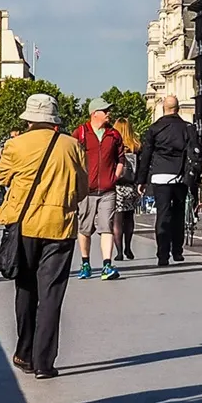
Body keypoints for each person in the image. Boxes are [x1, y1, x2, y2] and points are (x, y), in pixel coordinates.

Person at [0, 92, 88, 379]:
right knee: (51, 295)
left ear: (29, 119)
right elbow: (83, 188)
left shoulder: (15, 145)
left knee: (25, 288)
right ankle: (44, 362)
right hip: (60, 225)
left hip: (25, 226)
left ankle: (24, 352)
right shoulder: (72, 146)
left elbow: (0, 176)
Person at [138, 94, 202, 267]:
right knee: (178, 214)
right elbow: (195, 152)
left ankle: (162, 254)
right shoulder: (188, 128)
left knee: (163, 215)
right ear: (178, 109)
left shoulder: (154, 128)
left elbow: (146, 155)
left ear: (163, 108)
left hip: (160, 175)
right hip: (181, 176)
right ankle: (177, 251)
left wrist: (141, 180)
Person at [72, 98, 129, 278]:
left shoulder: (114, 134)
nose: (108, 114)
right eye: (105, 111)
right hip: (86, 190)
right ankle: (85, 263)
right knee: (85, 228)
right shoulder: (80, 133)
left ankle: (107, 265)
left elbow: (121, 158)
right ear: (94, 113)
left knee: (107, 226)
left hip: (107, 190)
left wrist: (115, 176)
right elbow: (72, 158)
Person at [112, 123, 141, 261]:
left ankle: (119, 252)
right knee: (129, 218)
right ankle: (128, 247)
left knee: (117, 220)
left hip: (117, 187)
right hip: (131, 187)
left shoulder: (115, 145)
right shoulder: (135, 146)